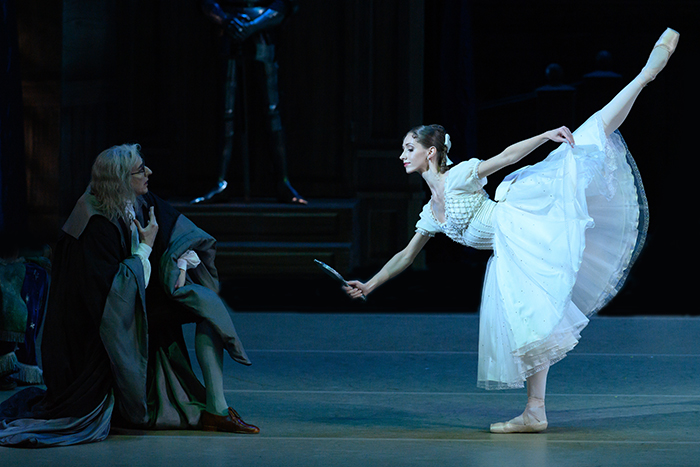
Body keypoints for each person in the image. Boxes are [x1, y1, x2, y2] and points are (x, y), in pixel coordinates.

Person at [343, 28, 678, 433]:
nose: (402, 155)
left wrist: (545, 135)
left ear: (430, 152)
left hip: (518, 223)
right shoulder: (431, 211)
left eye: (408, 149)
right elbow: (406, 256)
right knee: (531, 326)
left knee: (584, 142)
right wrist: (371, 283)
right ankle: (535, 411)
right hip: (508, 250)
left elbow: (504, 157)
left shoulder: (460, 175)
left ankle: (645, 74)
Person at [0, 144, 259, 447]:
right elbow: (111, 296)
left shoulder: (136, 199)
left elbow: (175, 227)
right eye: (140, 170)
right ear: (121, 180)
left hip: (132, 303)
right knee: (199, 307)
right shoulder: (93, 223)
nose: (148, 173)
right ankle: (153, 403)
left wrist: (180, 256)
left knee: (207, 307)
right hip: (97, 332)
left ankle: (217, 408)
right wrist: (146, 248)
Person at [192, 0, 306, 205]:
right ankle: (221, 181)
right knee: (226, 111)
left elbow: (286, 4)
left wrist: (255, 24)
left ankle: (283, 181)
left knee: (273, 111)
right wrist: (225, 19)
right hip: (228, 32)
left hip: (264, 34)